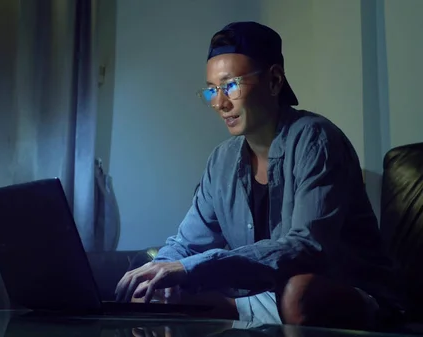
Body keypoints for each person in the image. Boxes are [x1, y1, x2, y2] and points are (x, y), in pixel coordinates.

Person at [114, 21, 404, 331]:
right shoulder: (222, 160)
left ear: (274, 80)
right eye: (212, 90)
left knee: (298, 293)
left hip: (343, 292)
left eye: (232, 85)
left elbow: (306, 248)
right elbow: (187, 243)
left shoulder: (317, 141)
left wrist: (192, 268)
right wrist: (158, 271)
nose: (220, 103)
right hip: (266, 295)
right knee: (156, 296)